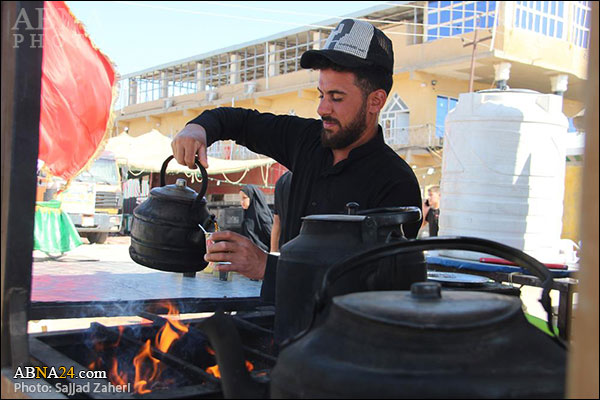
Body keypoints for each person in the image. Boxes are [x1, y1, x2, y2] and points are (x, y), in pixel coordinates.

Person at [171, 18, 422, 299]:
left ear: (375, 101)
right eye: (321, 94)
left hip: (343, 338)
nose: (322, 108)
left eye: (336, 98)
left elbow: (371, 286)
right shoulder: (307, 139)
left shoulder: (396, 183)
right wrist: (198, 129)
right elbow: (239, 121)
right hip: (280, 322)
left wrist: (267, 265)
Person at [239, 184, 273, 252]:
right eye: (240, 198)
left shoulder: (261, 215)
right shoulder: (247, 215)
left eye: (244, 198)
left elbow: (272, 236)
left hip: (262, 255)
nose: (241, 202)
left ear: (252, 197)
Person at [270, 171, 292, 253]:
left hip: (285, 249)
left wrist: (273, 253)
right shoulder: (310, 177)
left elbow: (277, 222)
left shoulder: (282, 180)